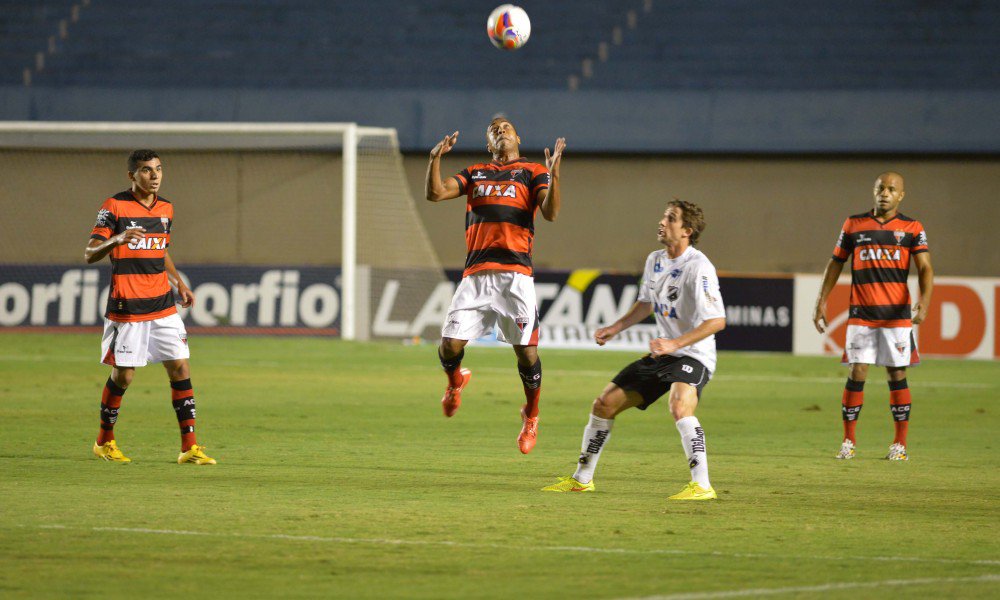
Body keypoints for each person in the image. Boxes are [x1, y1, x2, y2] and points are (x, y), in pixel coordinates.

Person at [542, 200, 726, 499]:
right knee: (603, 404)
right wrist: (615, 327)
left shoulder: (699, 267)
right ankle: (582, 478)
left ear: (687, 231)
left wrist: (675, 343)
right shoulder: (655, 259)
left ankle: (702, 485)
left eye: (671, 218)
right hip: (662, 355)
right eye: (664, 216)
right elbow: (646, 303)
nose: (662, 221)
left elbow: (717, 320)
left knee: (679, 406)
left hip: (694, 355)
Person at [425, 116, 565, 454]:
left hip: (515, 276)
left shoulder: (533, 172)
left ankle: (531, 414)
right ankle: (455, 382)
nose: (501, 131)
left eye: (506, 128)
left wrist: (555, 173)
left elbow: (551, 213)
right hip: (476, 275)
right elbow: (436, 193)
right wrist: (434, 159)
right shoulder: (475, 172)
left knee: (526, 352)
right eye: (494, 130)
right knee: (448, 346)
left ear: (519, 137)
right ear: (489, 144)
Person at [85, 149, 216, 465]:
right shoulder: (114, 206)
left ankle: (189, 448)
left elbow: (161, 250)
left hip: (162, 304)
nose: (154, 175)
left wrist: (178, 283)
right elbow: (90, 252)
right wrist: (118, 239)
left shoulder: (167, 208)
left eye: (158, 169)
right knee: (124, 377)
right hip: (128, 307)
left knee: (180, 367)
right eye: (146, 170)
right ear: (132, 175)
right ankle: (104, 441)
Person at [813, 171, 933, 461]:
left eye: (892, 189)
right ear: (873, 190)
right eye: (881, 187)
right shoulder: (854, 224)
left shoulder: (912, 227)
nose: (885, 193)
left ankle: (900, 445)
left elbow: (925, 267)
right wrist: (821, 299)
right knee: (857, 372)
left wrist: (925, 301)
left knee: (897, 374)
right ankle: (848, 441)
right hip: (861, 314)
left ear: (901, 195)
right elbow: (835, 262)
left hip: (896, 316)